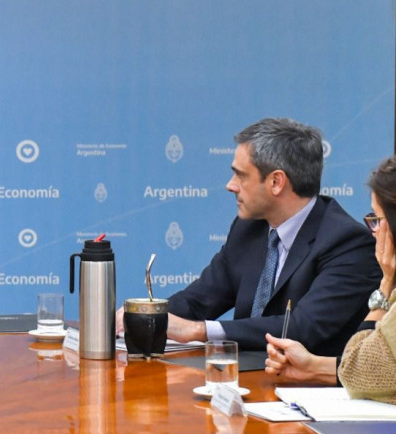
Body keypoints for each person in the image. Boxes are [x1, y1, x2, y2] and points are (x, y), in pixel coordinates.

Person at [162, 118, 380, 353]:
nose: (230, 185)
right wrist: (143, 315)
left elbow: (301, 329)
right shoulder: (249, 229)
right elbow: (199, 300)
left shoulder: (348, 243)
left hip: (304, 385)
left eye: (241, 175)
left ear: (276, 182)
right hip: (244, 378)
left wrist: (199, 331)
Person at [266, 148, 396, 416]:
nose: (374, 231)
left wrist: (387, 282)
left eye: (378, 220)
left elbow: (357, 371)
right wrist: (315, 367)